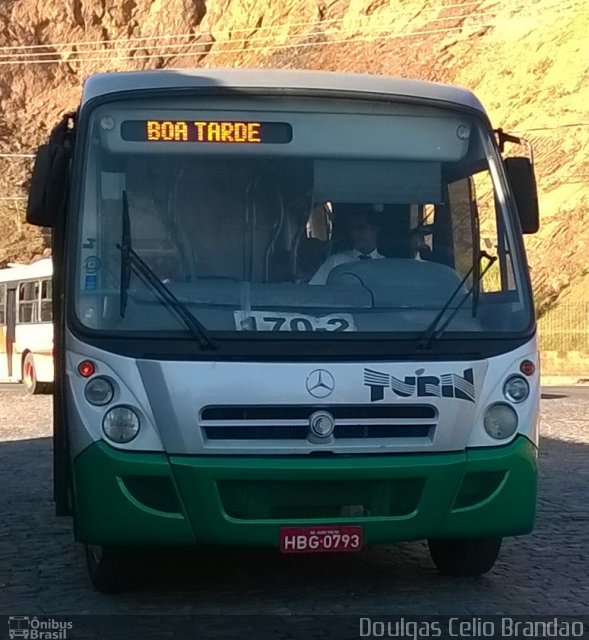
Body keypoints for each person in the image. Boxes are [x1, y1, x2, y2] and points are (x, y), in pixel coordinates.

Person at [309, 206, 385, 284]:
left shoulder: (386, 266)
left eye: (361, 228)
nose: (354, 234)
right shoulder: (336, 262)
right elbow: (315, 289)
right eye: (351, 229)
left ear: (375, 229)